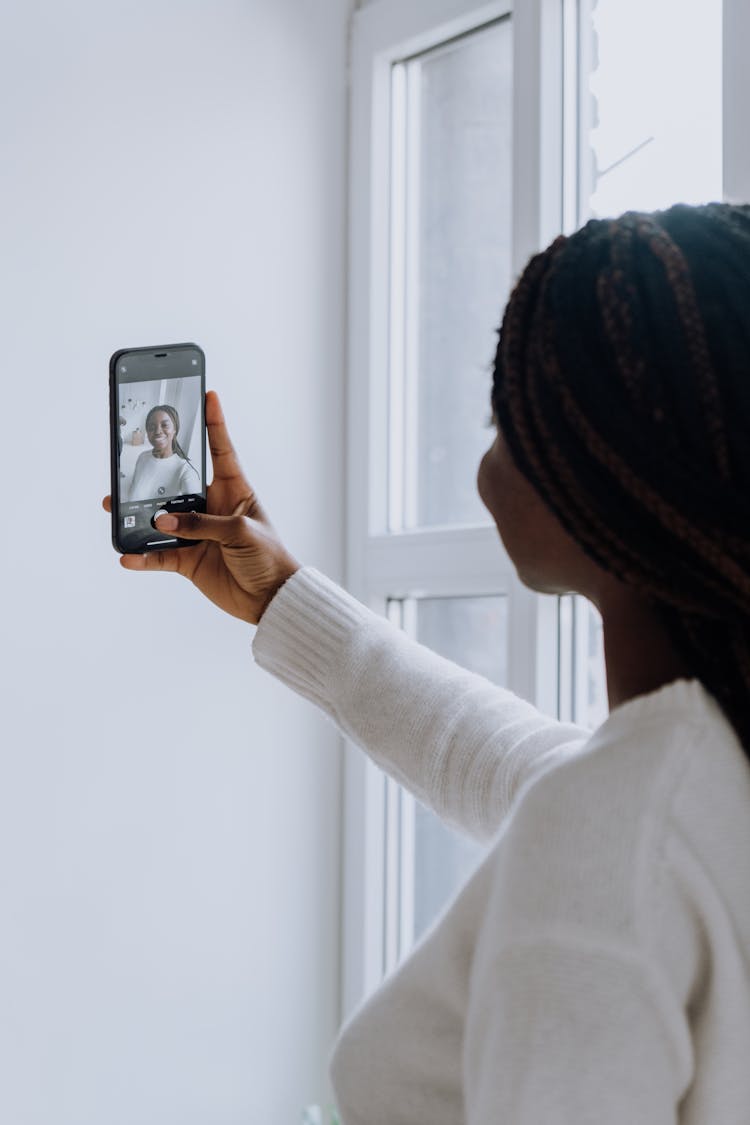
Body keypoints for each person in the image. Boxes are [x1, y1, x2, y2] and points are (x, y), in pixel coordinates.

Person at [104, 202, 750, 1122]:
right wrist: (280, 594)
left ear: (597, 469)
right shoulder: (696, 775)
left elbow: (583, 813)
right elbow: (510, 761)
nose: (484, 466)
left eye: (506, 418)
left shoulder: (618, 837)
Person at [127, 404, 201, 501]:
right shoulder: (142, 457)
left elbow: (196, 506)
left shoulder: (185, 470)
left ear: (175, 429)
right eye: (151, 427)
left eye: (165, 425)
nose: (157, 431)